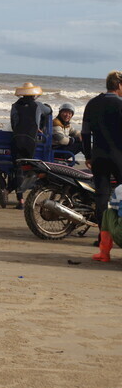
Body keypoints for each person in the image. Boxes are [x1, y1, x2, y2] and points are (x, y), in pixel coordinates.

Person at [81, 71, 122, 262]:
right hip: (119, 156)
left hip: (98, 157)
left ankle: (103, 245)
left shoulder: (92, 103)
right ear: (119, 85)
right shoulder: (120, 104)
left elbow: (85, 133)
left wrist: (87, 155)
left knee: (101, 197)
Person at [8, 82, 52, 209]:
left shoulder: (15, 106)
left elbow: (13, 123)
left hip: (16, 139)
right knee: (27, 170)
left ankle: (20, 200)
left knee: (17, 169)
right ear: (33, 94)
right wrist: (40, 126)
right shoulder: (38, 105)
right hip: (30, 141)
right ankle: (12, 192)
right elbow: (49, 111)